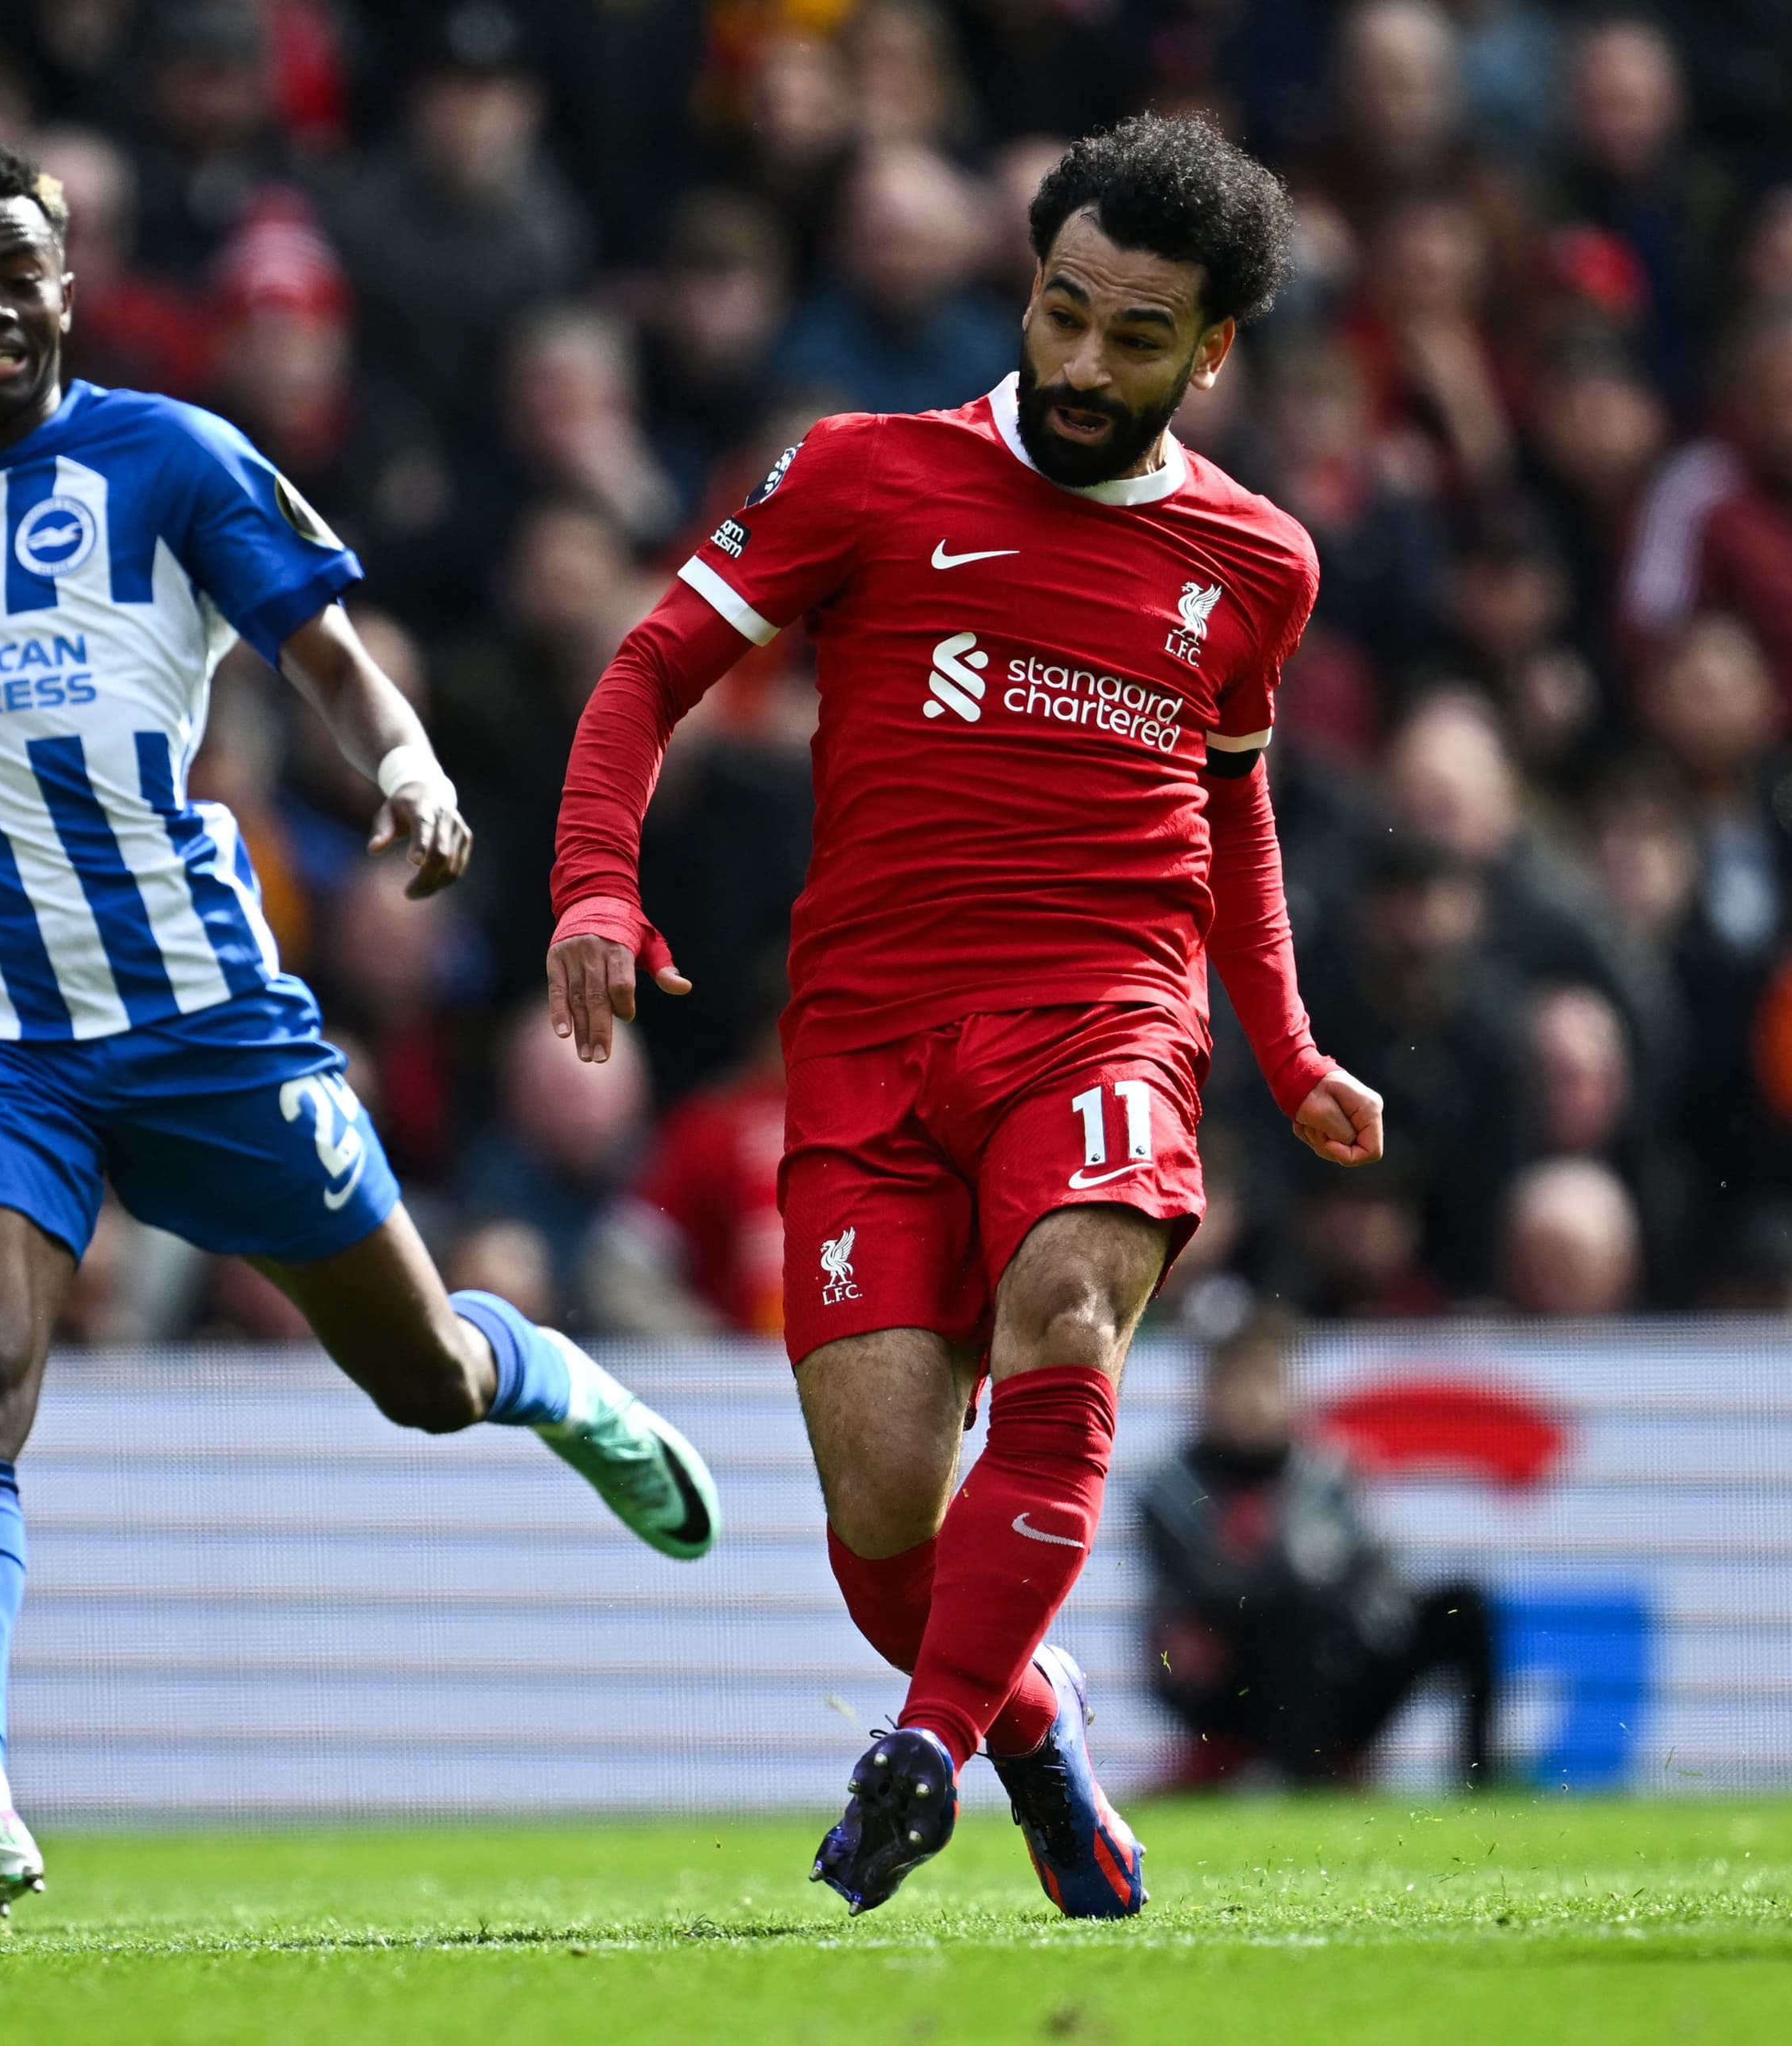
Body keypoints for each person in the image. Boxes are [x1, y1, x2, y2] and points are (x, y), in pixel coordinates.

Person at [0, 138, 722, 1917]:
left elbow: (320, 650)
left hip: (198, 1016)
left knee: (421, 1380)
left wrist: (407, 765)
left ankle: (538, 1374)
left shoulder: (171, 456)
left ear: (69, 288)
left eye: (23, 274)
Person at [544, 115, 1385, 1919]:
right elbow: (646, 671)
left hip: (1101, 1015)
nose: (1081, 362)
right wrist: (595, 883)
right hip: (863, 1042)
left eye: (1134, 335)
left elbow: (1226, 809)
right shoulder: (860, 471)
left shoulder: (1256, 563)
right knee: (879, 1509)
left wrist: (1286, 1044)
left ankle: (920, 1746)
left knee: (1062, 1309)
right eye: (1060, 310)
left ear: (1212, 349)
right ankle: (1028, 1722)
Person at [1140, 1309, 1494, 1789]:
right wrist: (1307, 1577)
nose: (1253, 1400)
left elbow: (1376, 1574)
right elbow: (1209, 1593)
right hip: (1233, 1680)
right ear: (1208, 1394)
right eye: (1237, 1383)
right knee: (1285, 1615)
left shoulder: (1329, 1472)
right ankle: (1296, 1774)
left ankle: (1481, 1778)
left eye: (1267, 1381)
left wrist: (1359, 1617)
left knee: (1461, 1608)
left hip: (1338, 1661)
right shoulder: (1172, 1488)